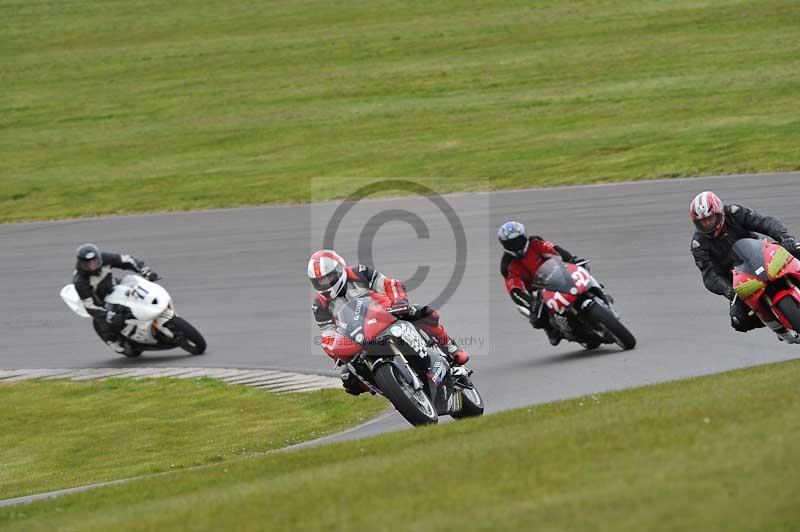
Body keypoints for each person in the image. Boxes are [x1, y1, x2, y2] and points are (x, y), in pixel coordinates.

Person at [308, 249, 469, 395]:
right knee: (348, 379)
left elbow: (390, 284)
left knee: (424, 313)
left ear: (339, 269)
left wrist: (399, 302)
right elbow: (328, 337)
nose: (325, 283)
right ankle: (393, 389)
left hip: (387, 315)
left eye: (329, 277)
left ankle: (450, 346)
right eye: (320, 281)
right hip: (359, 338)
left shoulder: (359, 273)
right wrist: (337, 353)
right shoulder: (319, 305)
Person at [689, 191, 800, 335]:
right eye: (702, 222)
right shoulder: (698, 244)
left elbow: (764, 222)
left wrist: (785, 237)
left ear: (719, 212)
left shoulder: (734, 213)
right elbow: (709, 275)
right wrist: (726, 289)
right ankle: (776, 321)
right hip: (739, 282)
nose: (708, 224)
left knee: (795, 249)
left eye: (710, 219)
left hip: (761, 256)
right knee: (738, 320)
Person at [498, 221, 585, 346]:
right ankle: (551, 329)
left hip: (554, 273)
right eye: (511, 243)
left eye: (518, 241)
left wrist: (571, 259)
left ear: (525, 237)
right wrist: (531, 303)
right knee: (537, 318)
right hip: (537, 289)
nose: (516, 245)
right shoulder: (507, 265)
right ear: (504, 245)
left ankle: (597, 291)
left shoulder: (535, 242)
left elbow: (554, 249)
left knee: (581, 269)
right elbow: (515, 291)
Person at [73, 243, 158, 354]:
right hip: (102, 301)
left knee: (137, 285)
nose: (93, 265)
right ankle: (112, 340)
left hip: (115, 287)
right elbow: (89, 305)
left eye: (95, 261)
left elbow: (127, 260)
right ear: (82, 263)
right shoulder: (80, 281)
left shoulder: (105, 258)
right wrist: (105, 314)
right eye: (88, 263)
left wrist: (145, 271)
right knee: (107, 320)